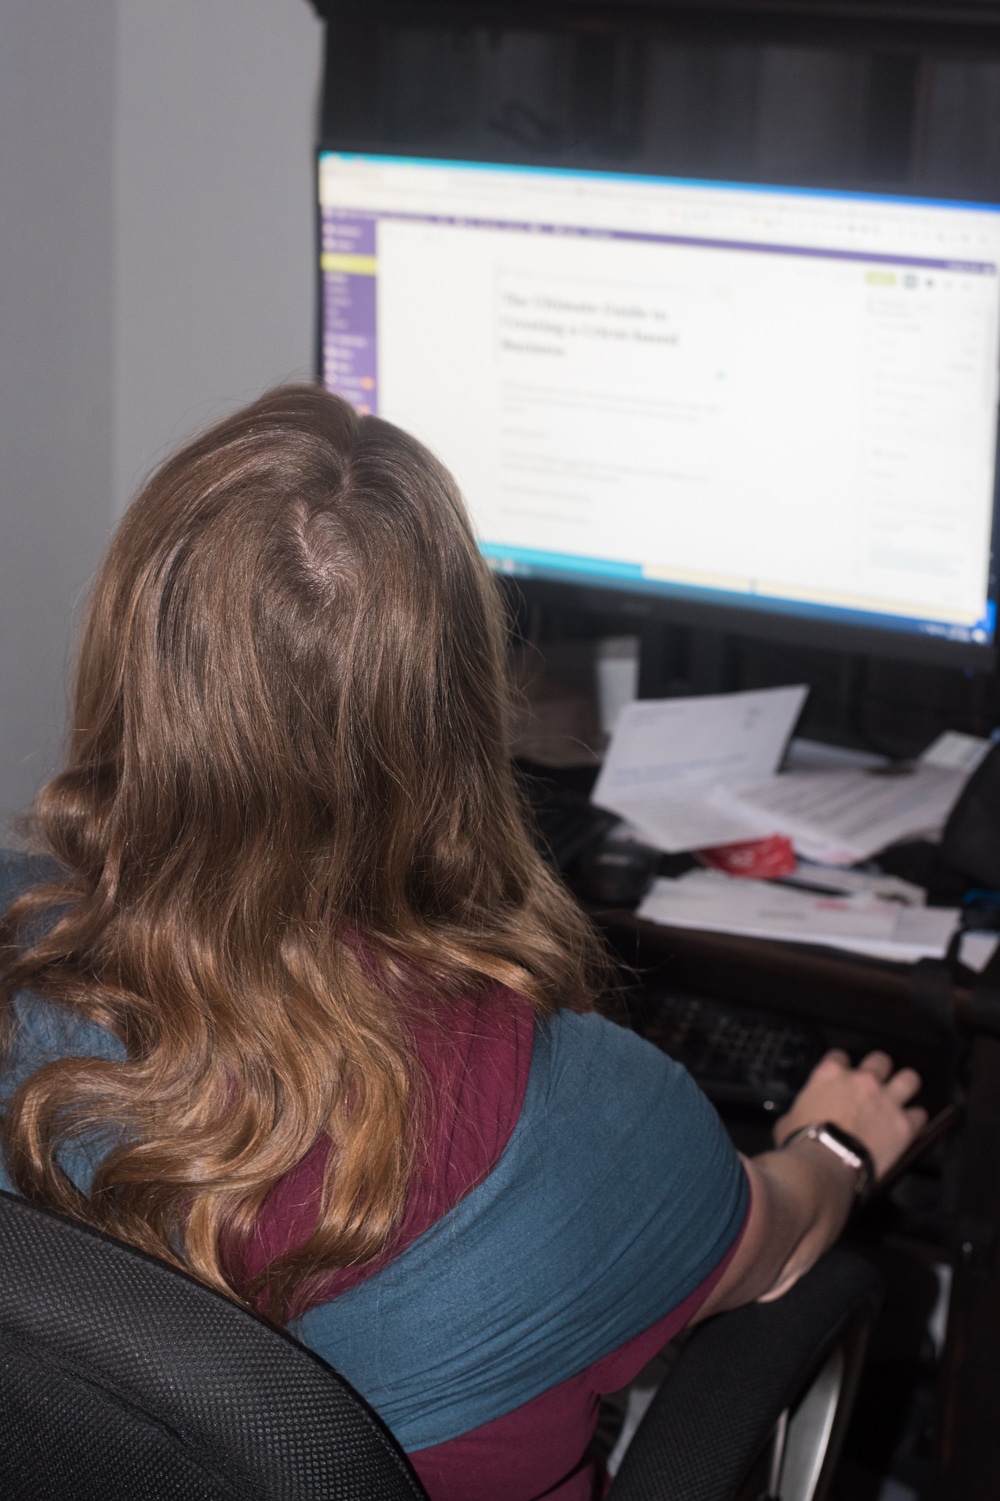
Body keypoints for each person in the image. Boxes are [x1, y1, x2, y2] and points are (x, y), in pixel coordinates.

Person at [0, 386, 925, 1501]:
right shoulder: (603, 1128)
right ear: (456, 706)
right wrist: (838, 1147)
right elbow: (779, 1236)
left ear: (132, 663)